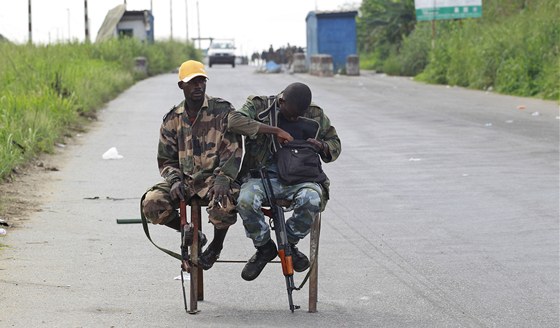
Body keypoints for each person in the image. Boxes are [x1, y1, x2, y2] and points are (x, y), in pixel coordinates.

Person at [228, 82, 341, 281]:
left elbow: (335, 143)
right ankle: (264, 248)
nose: (295, 118)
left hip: (300, 177)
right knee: (245, 200)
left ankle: (288, 243)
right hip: (262, 176)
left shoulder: (315, 113)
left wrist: (322, 146)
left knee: (312, 199)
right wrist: (274, 130)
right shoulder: (259, 106)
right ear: (282, 101)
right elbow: (234, 121)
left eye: (300, 114)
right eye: (291, 115)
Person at [141, 60, 242, 270]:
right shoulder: (172, 119)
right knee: (151, 203)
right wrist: (175, 179)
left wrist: (224, 177)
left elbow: (233, 150)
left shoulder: (222, 111)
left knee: (225, 203)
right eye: (192, 82)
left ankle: (215, 246)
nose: (198, 86)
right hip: (185, 181)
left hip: (215, 180)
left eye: (201, 81)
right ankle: (192, 233)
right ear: (181, 86)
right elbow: (166, 160)